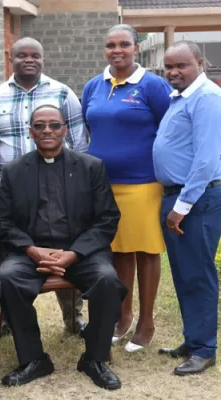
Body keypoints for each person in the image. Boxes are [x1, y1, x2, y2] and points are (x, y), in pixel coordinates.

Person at [0, 105, 127, 390]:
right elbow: (2, 223)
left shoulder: (91, 167)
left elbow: (108, 218)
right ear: (31, 133)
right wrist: (32, 250)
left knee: (107, 280)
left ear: (65, 130)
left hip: (81, 252)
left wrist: (73, 254)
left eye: (54, 125)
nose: (47, 131)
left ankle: (94, 358)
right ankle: (34, 359)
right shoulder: (15, 171)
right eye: (40, 126)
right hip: (31, 253)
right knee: (7, 278)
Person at [0, 37, 88, 335]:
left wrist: (76, 184)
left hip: (59, 187)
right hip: (11, 192)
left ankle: (73, 318)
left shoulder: (62, 93)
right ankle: (7, 318)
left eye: (35, 56)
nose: (28, 60)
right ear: (11, 59)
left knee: (64, 248)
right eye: (21, 55)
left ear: (43, 59)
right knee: (8, 254)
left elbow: (79, 142)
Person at [82, 24, 172, 352]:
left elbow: (169, 129)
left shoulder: (152, 85)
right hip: (103, 185)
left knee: (145, 251)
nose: (116, 50)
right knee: (118, 251)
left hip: (143, 183)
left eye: (123, 44)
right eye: (110, 45)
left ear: (135, 47)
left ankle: (146, 322)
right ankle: (123, 316)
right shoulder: (94, 85)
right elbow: (91, 128)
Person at [154, 41, 221, 376]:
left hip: (197, 199)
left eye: (181, 65)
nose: (174, 72)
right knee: (183, 273)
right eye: (169, 66)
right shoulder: (180, 97)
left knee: (198, 273)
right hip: (177, 196)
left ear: (200, 62)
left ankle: (205, 348)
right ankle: (193, 339)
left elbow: (207, 161)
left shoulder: (207, 98)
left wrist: (181, 206)